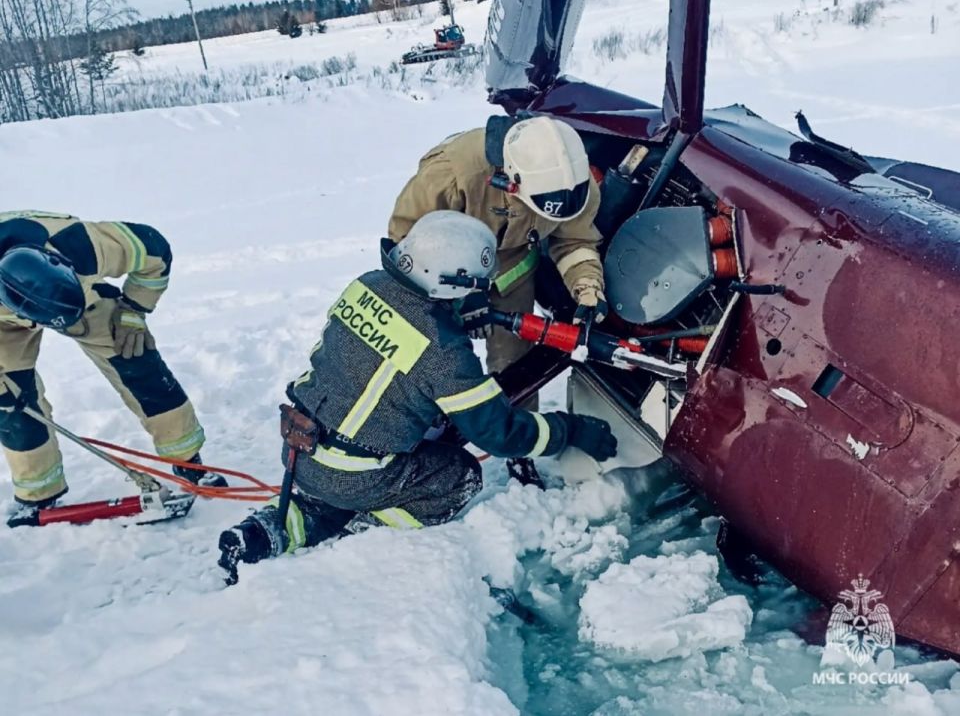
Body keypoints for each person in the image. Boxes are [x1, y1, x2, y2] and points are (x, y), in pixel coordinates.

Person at [217, 211, 617, 584]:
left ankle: (265, 532)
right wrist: (571, 430)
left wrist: (451, 313)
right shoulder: (443, 353)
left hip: (300, 447)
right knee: (457, 475)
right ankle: (364, 530)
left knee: (348, 479)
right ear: (451, 285)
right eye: (475, 287)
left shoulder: (367, 285)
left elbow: (396, 343)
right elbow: (500, 434)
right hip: (353, 471)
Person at [388, 115, 607, 488]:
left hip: (511, 266)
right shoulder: (453, 172)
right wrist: (463, 295)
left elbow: (574, 240)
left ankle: (519, 451)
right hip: (439, 268)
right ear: (510, 181)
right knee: (432, 358)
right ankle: (413, 436)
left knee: (516, 362)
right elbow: (406, 241)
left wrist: (587, 289)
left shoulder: (575, 184)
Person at [0, 210, 223, 528]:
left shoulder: (85, 246)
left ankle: (188, 460)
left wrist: (134, 310)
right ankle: (38, 494)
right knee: (11, 403)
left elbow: (155, 250)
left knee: (136, 360)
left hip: (81, 300)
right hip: (3, 322)